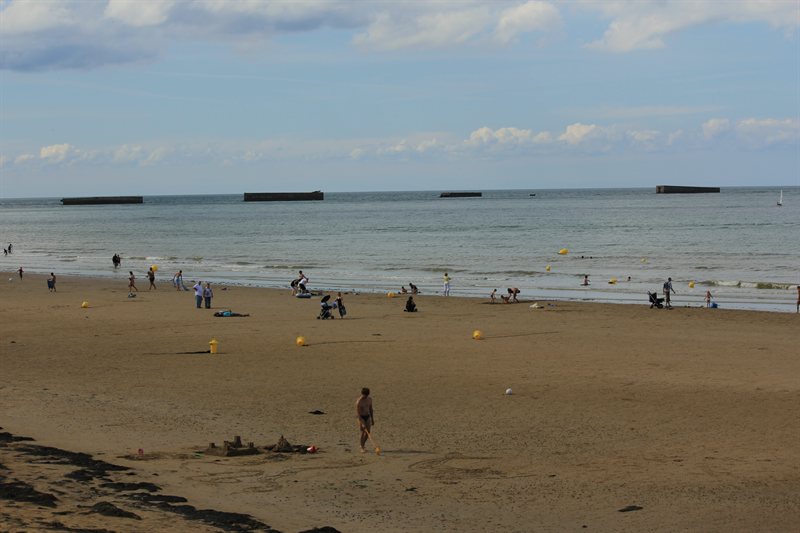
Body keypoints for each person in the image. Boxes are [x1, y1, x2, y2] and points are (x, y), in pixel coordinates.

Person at [355, 387, 374, 453]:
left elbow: (371, 409)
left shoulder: (369, 399)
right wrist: (362, 423)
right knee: (363, 432)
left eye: (366, 396)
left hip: (367, 416)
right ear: (362, 394)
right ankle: (361, 447)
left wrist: (372, 419)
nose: (365, 397)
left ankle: (363, 445)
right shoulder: (359, 402)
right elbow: (358, 414)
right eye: (364, 395)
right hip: (361, 417)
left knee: (368, 432)